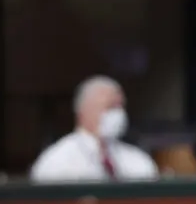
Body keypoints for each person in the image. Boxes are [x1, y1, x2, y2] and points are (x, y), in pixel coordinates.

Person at [29, 75, 159, 183]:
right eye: (110, 106)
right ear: (83, 111)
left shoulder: (138, 160)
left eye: (120, 107)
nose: (118, 114)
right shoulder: (57, 161)